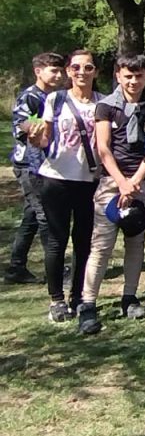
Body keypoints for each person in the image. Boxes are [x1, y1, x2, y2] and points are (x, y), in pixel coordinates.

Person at [78, 54, 145, 335]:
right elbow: (103, 148)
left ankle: (130, 296)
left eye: (139, 75)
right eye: (128, 75)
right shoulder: (106, 107)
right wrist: (121, 182)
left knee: (135, 241)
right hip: (111, 181)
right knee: (101, 245)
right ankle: (88, 303)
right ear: (118, 76)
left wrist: (136, 181)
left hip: (143, 182)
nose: (133, 81)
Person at [28, 51, 103, 322]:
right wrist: (34, 137)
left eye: (88, 67)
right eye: (76, 67)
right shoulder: (54, 99)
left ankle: (79, 296)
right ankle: (56, 300)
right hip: (56, 178)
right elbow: (43, 136)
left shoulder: (103, 103)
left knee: (84, 241)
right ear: (69, 72)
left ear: (96, 71)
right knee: (57, 241)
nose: (81, 72)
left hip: (89, 180)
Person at [6, 52, 65, 284]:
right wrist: (42, 127)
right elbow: (21, 125)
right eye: (53, 70)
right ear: (38, 71)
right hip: (29, 165)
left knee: (31, 216)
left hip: (47, 163)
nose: (59, 75)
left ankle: (15, 268)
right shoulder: (31, 97)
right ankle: (57, 269)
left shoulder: (58, 96)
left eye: (61, 70)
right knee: (45, 216)